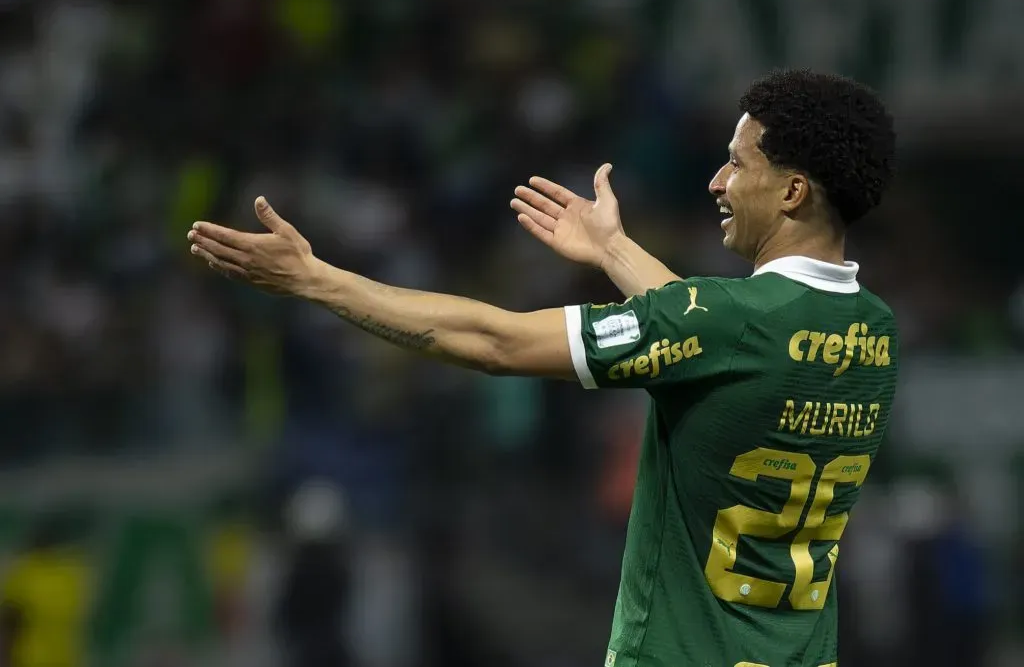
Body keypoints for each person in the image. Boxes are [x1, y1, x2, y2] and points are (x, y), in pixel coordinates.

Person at [186, 69, 898, 667]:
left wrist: (317, 281)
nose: (717, 181)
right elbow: (708, 335)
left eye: (738, 164)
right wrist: (613, 248)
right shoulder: (874, 331)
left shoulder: (728, 323)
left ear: (792, 192)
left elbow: (496, 343)